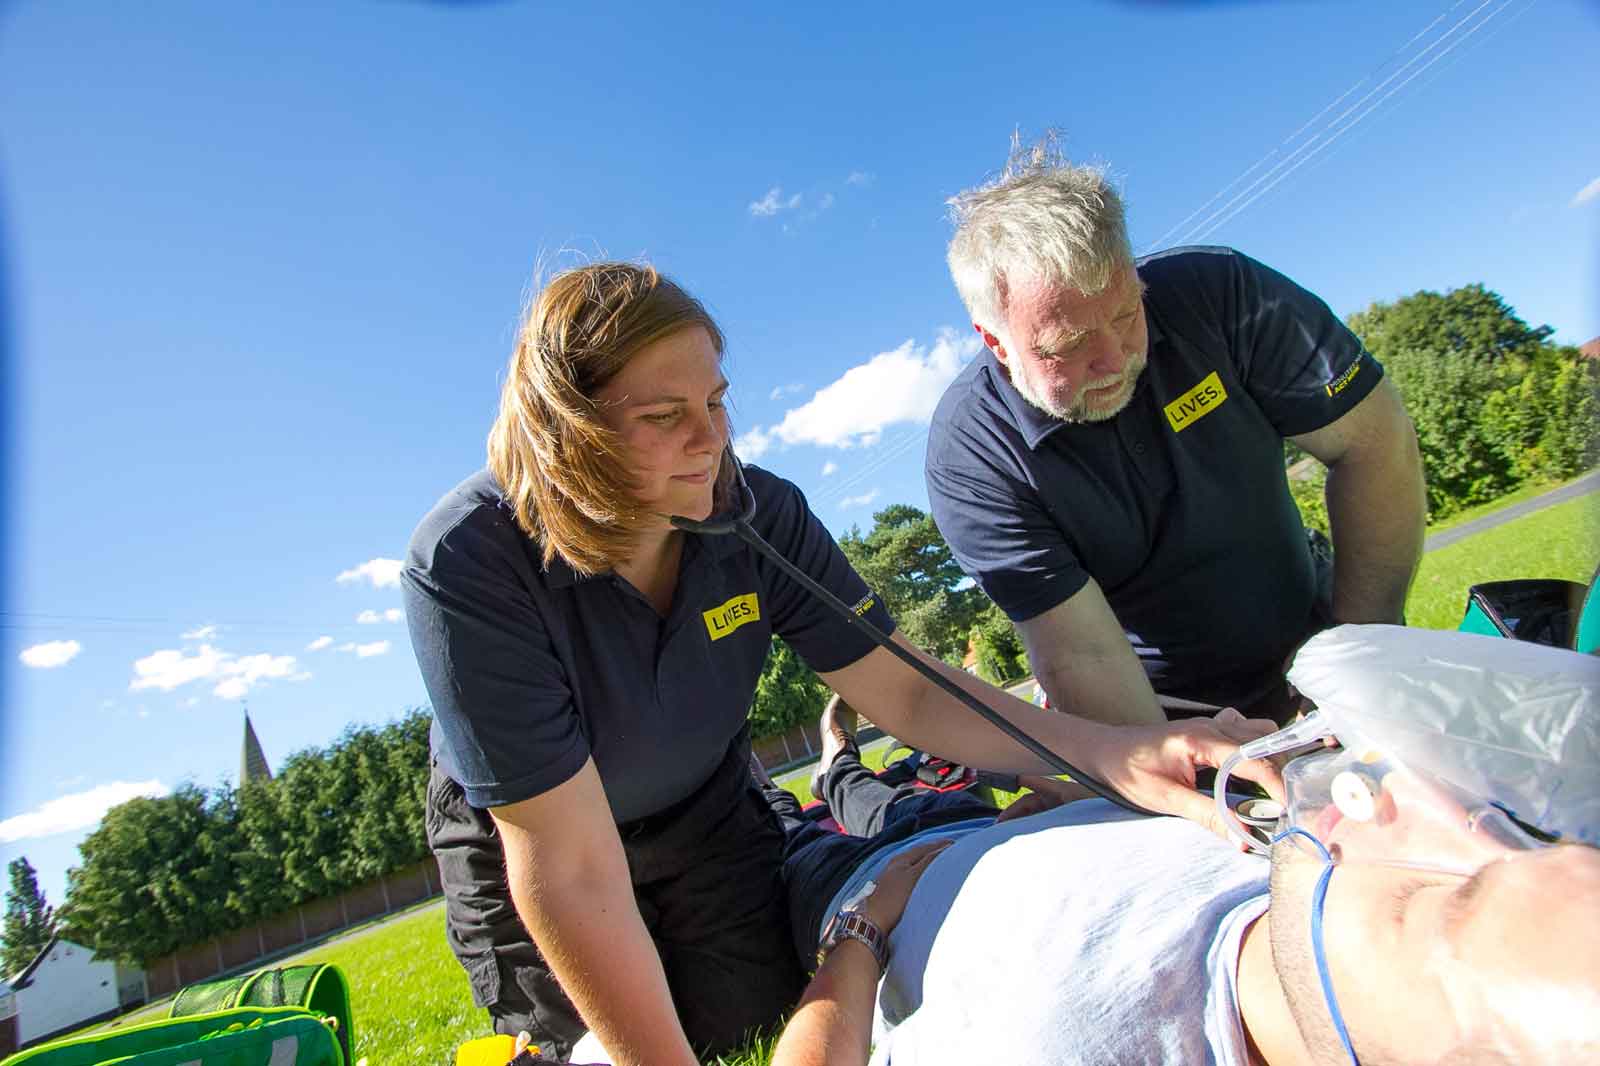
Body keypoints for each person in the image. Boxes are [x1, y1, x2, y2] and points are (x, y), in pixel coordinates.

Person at [401, 262, 1279, 1064]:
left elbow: (901, 687)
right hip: (537, 839)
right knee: (600, 1046)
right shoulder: (467, 564)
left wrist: (1111, 753)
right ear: (569, 433)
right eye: (664, 418)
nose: (711, 441)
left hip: (705, 810)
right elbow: (571, 864)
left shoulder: (756, 514)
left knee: (743, 1021)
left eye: (715, 402)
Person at [766, 702, 1600, 1066]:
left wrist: (864, 932)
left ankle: (812, 771)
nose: (1413, 800)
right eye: (1501, 847)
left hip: (874, 884)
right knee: (932, 791)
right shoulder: (1317, 890)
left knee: (816, 820)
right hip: (1005, 821)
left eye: (1438, 904)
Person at [925, 136, 1427, 726]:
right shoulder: (972, 457)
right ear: (996, 342)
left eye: (1125, 313)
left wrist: (1361, 664)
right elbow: (1079, 652)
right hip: (1158, 704)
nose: (1117, 360)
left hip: (1321, 627)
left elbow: (1372, 442)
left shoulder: (1225, 296)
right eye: (1071, 345)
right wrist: (1177, 765)